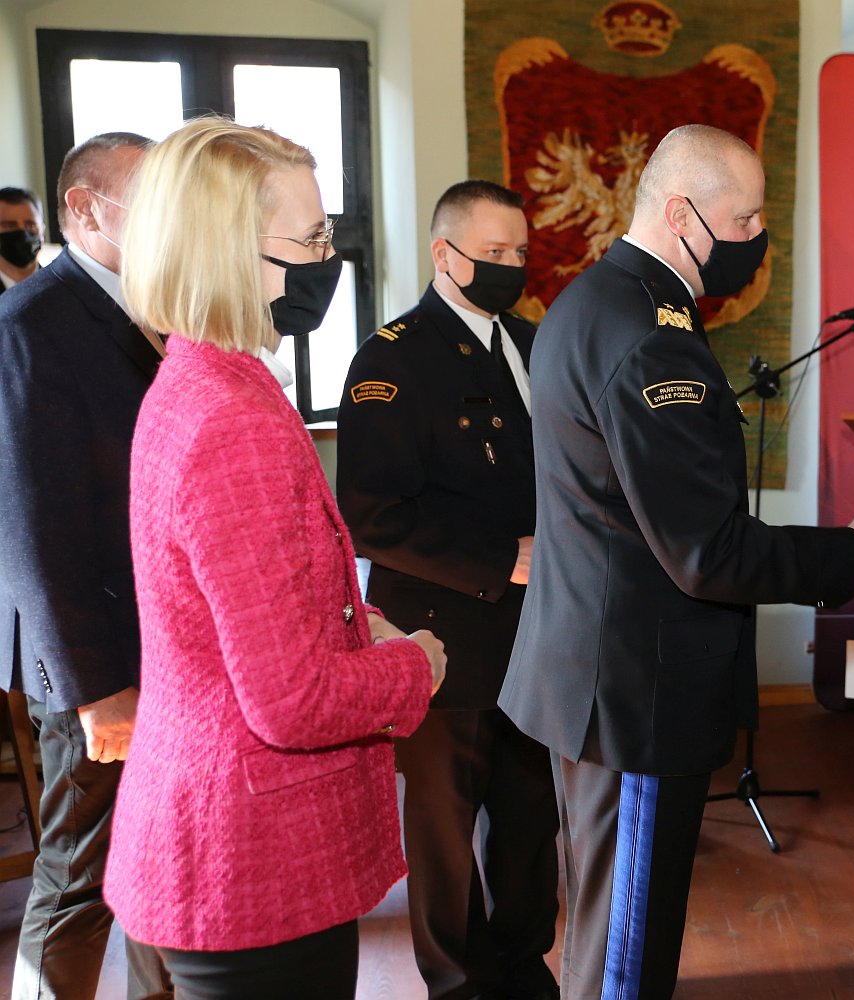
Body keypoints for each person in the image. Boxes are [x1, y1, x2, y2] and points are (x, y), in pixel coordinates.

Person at [498, 123, 854, 1000]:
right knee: (624, 954)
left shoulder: (596, 298)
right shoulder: (650, 335)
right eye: (744, 220)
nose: (758, 238)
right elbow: (706, 552)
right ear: (682, 213)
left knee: (605, 924)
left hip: (599, 671)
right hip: (636, 691)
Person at [102, 117, 447, 999]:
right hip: (251, 852)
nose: (332, 259)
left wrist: (358, 620)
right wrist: (414, 664)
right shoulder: (232, 421)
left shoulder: (203, 378)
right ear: (228, 253)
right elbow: (291, 700)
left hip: (228, 828)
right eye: (314, 238)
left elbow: (247, 596)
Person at [337, 180, 560, 1000]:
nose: (510, 266)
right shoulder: (392, 358)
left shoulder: (534, 343)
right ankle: (457, 983)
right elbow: (371, 516)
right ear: (445, 253)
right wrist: (499, 557)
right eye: (493, 252)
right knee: (444, 827)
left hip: (538, 630)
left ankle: (525, 965)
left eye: (519, 253)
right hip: (442, 634)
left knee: (531, 817)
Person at [0, 132, 176, 1000]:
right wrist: (92, 688)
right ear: (83, 207)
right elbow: (32, 525)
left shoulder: (157, 306)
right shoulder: (30, 322)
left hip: (164, 641)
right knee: (81, 877)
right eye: (150, 200)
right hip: (95, 657)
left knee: (164, 862)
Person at [0, 186, 45, 292]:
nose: (23, 233)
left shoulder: (66, 287)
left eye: (31, 225)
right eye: (10, 225)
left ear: (42, 230)